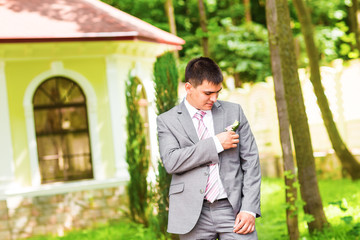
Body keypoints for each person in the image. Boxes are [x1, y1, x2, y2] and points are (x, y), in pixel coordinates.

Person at [157, 57, 261, 240]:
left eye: (218, 92)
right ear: (189, 88)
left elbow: (251, 161)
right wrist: (216, 144)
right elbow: (172, 162)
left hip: (233, 209)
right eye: (208, 93)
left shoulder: (234, 112)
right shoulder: (167, 121)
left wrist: (249, 208)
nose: (214, 98)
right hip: (192, 213)